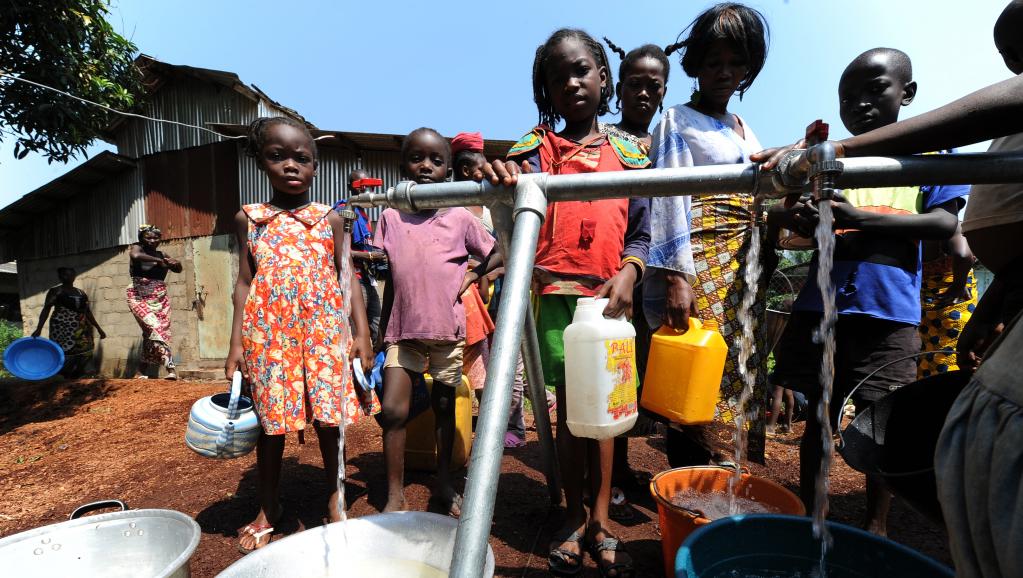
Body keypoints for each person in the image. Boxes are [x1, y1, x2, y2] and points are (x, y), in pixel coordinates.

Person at [768, 48, 968, 536]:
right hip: (821, 307)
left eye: (874, 89)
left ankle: (876, 524)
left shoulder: (930, 160)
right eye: (846, 97)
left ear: (909, 93)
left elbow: (944, 222)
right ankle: (815, 511)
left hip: (888, 315)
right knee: (817, 416)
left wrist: (857, 218)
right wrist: (797, 216)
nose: (858, 104)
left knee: (884, 425)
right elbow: (793, 214)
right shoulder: (828, 161)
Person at [478, 27, 651, 577]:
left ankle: (600, 518)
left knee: (602, 414)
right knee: (573, 415)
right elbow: (509, 207)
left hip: (607, 303)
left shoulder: (631, 154)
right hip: (553, 299)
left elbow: (644, 231)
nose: (572, 82)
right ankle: (575, 516)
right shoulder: (535, 153)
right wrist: (498, 180)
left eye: (582, 70)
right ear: (545, 90)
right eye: (558, 77)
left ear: (604, 78)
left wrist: (631, 269)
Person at [225, 117, 379, 553]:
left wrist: (362, 333)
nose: (291, 166)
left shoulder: (330, 218)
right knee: (271, 425)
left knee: (331, 419)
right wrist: (236, 344)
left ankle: (336, 500)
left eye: (302, 158)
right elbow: (243, 281)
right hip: (269, 337)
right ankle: (269, 507)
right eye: (278, 156)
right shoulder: (250, 219)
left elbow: (348, 277)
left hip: (324, 334)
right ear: (261, 162)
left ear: (315, 166)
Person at [642, 2, 773, 468]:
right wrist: (678, 277)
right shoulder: (678, 119)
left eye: (736, 62)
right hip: (702, 259)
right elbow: (669, 198)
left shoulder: (743, 128)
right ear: (696, 66)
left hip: (743, 265)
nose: (724, 72)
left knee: (733, 369)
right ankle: (688, 486)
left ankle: (725, 478)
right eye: (714, 62)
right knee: (695, 372)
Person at [376, 127, 499, 516]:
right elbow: (392, 277)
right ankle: (394, 493)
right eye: (416, 158)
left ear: (448, 170)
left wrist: (474, 275)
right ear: (402, 165)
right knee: (394, 410)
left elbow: (498, 252)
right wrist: (382, 332)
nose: (425, 166)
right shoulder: (391, 217)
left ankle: (444, 483)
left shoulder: (460, 216)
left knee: (446, 407)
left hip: (447, 330)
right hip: (402, 331)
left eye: (435, 160)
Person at [601, 36, 672, 520]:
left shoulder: (670, 139)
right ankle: (616, 470)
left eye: (654, 86)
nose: (644, 93)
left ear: (664, 92)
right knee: (620, 375)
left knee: (657, 376)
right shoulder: (606, 141)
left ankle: (678, 468)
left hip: (668, 273)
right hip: (622, 273)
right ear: (619, 88)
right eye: (635, 84)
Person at [918, 225, 977, 377]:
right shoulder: (951, 226)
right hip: (955, 306)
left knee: (930, 360)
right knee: (955, 359)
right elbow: (963, 254)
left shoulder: (918, 229)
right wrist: (958, 285)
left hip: (927, 310)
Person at [126, 224, 182, 380]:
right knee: (156, 328)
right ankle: (171, 368)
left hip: (159, 297)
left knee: (150, 334)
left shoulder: (162, 253)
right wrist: (160, 261)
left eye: (156, 237)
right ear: (141, 238)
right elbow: (136, 257)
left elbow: (178, 269)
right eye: (148, 237)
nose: (152, 240)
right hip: (138, 296)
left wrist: (175, 263)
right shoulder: (138, 249)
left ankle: (140, 371)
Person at [339, 168, 385, 345]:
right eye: (361, 186)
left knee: (377, 326)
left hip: (366, 278)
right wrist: (371, 256)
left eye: (370, 187)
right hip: (353, 279)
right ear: (351, 187)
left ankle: (371, 368)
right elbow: (342, 251)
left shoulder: (363, 214)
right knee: (357, 332)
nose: (367, 191)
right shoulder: (345, 211)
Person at [32, 267, 105, 377]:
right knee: (63, 351)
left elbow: (88, 312)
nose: (68, 277)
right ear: (60, 277)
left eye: (71, 274)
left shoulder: (81, 293)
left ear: (74, 276)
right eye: (65, 275)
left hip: (81, 327)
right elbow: (46, 309)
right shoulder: (56, 291)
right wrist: (39, 328)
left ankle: (80, 375)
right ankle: (63, 376)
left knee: (85, 348)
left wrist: (99, 328)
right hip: (62, 328)